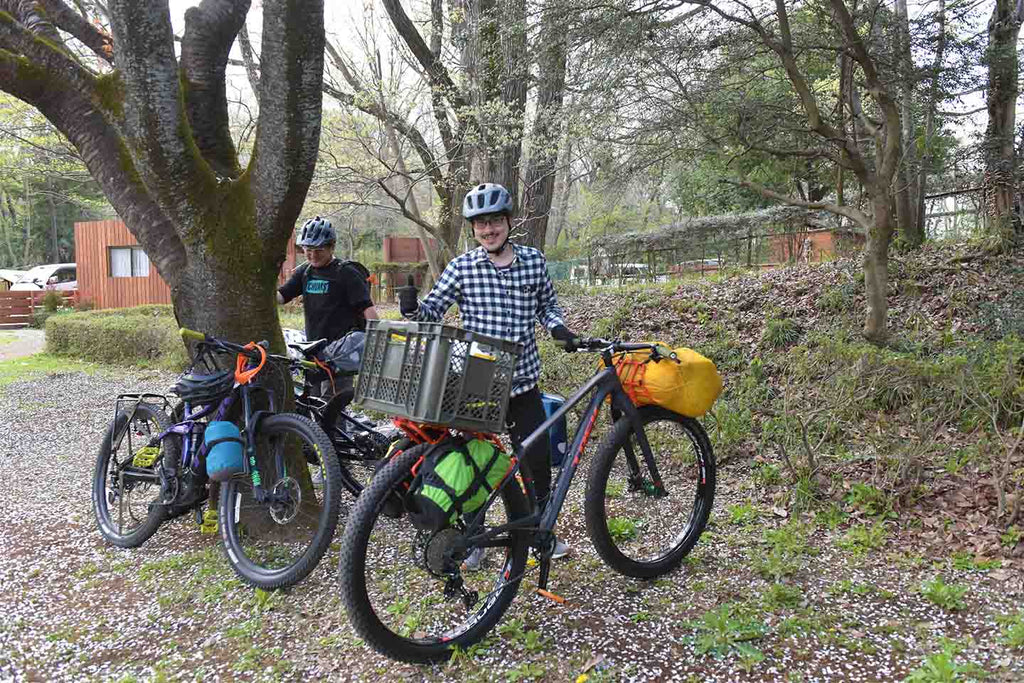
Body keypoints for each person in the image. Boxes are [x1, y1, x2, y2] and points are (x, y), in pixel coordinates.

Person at [398, 183, 579, 569]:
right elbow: (433, 310)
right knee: (472, 463)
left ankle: (539, 533)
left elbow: (548, 306)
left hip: (524, 381)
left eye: (495, 221)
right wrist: (412, 308)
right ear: (473, 229)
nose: (489, 230)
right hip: (477, 384)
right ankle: (474, 538)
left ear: (508, 222)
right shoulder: (463, 267)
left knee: (537, 461)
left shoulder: (533, 261)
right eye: (481, 224)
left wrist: (558, 326)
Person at [278, 216, 379, 394]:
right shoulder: (305, 272)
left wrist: (378, 340)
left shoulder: (346, 272)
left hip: (341, 353)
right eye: (308, 249)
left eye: (319, 250)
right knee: (313, 402)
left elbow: (367, 309)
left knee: (332, 407)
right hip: (313, 350)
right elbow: (281, 296)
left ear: (332, 247)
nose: (313, 255)